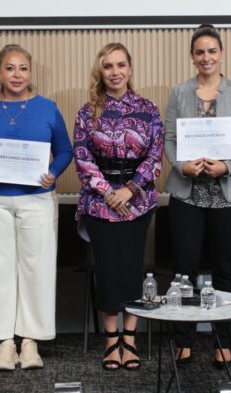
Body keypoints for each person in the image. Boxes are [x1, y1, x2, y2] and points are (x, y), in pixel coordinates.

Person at [0, 44, 73, 371]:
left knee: (36, 270)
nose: (17, 75)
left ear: (30, 72)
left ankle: (30, 341)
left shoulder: (47, 108)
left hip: (36, 200)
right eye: (10, 68)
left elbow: (65, 151)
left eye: (23, 68)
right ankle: (4, 343)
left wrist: (53, 173)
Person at [164, 24, 231, 367]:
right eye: (199, 52)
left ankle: (222, 339)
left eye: (212, 51)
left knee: (224, 270)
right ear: (192, 56)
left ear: (222, 54)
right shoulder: (179, 92)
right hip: (187, 193)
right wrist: (181, 165)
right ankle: (184, 339)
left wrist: (227, 166)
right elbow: (170, 138)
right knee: (184, 270)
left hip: (228, 195)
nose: (206, 57)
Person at [73, 43, 163, 371]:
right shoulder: (87, 112)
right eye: (108, 66)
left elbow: (155, 155)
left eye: (120, 65)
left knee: (131, 270)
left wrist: (129, 190)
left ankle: (131, 339)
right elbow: (82, 157)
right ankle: (112, 342)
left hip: (138, 201)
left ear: (130, 68)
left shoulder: (148, 109)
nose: (115, 72)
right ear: (101, 71)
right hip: (99, 204)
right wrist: (109, 194)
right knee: (108, 272)